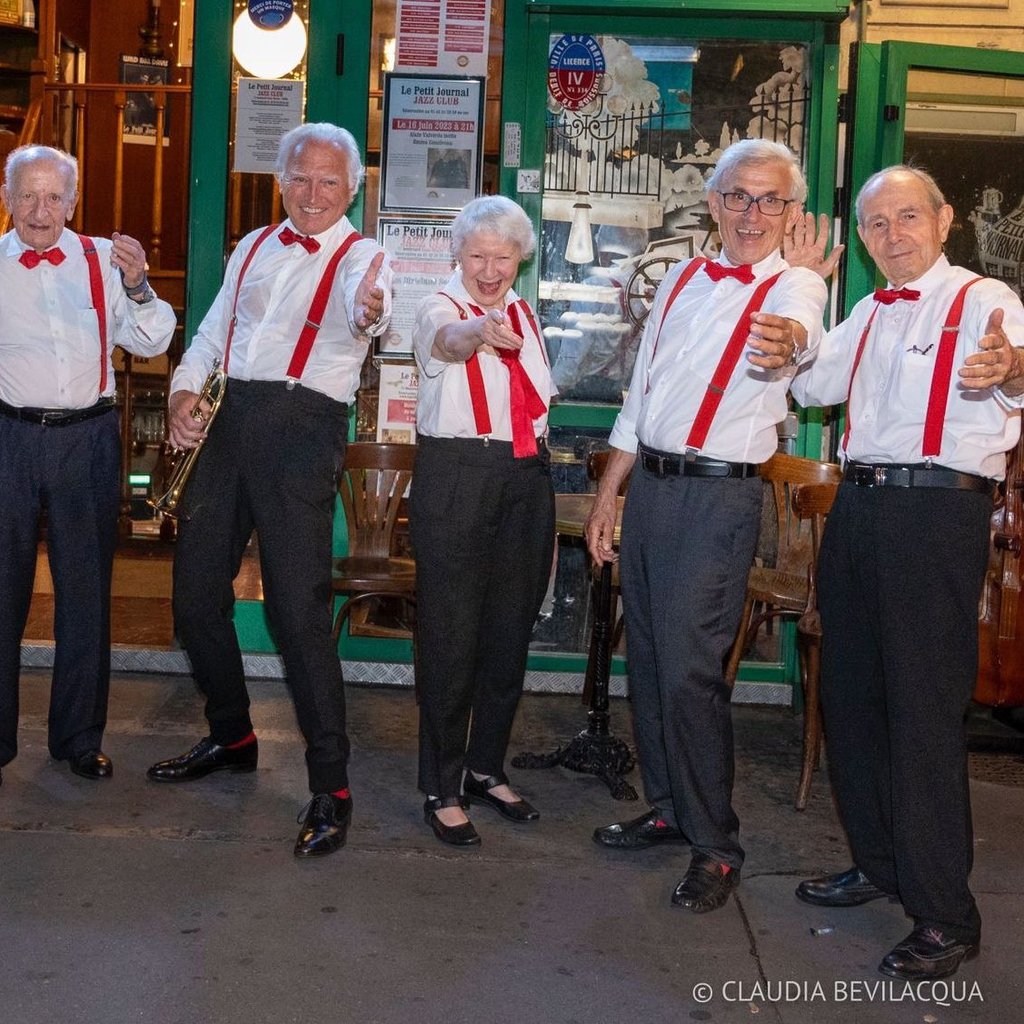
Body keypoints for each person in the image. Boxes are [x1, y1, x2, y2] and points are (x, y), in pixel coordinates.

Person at [789, 165, 1024, 979]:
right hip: (860, 510)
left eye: (909, 217)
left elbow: (1017, 371)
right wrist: (796, 312)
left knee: (922, 713)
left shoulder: (986, 300)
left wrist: (1014, 370)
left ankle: (946, 916)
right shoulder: (865, 309)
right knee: (851, 697)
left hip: (935, 515)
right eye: (878, 223)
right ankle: (881, 865)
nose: (894, 234)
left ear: (945, 219)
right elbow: (811, 381)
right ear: (863, 238)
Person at [584, 138, 829, 912]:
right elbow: (640, 400)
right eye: (739, 197)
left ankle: (716, 845)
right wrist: (607, 497)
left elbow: (801, 333)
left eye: (770, 200)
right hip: (652, 489)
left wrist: (793, 340)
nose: (752, 213)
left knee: (692, 671)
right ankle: (668, 806)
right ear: (715, 203)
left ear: (790, 213)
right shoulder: (684, 277)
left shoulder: (795, 286)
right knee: (650, 659)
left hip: (721, 500)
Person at [146, 123, 390, 859]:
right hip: (231, 422)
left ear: (352, 189)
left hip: (302, 427)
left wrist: (371, 311)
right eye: (300, 178)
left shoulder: (364, 257)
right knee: (193, 597)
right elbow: (213, 334)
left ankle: (332, 786)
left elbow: (363, 308)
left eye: (328, 182)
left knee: (296, 612)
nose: (313, 194)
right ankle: (233, 733)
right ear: (280, 180)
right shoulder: (252, 246)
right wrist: (186, 394)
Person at [0, 144, 175, 785]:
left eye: (53, 197)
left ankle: (78, 738)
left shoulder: (105, 260)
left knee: (85, 591)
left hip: (89, 437)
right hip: (10, 436)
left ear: (73, 202)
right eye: (27, 195)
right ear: (7, 198)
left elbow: (154, 337)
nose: (40, 211)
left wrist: (139, 285)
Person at [411, 195, 555, 846]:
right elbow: (447, 343)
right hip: (459, 478)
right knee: (451, 636)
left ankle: (484, 767)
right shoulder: (440, 308)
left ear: (520, 258)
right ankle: (439, 784)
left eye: (503, 257)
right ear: (456, 255)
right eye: (477, 256)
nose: (490, 269)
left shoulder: (524, 310)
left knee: (508, 633)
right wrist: (479, 333)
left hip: (525, 478)